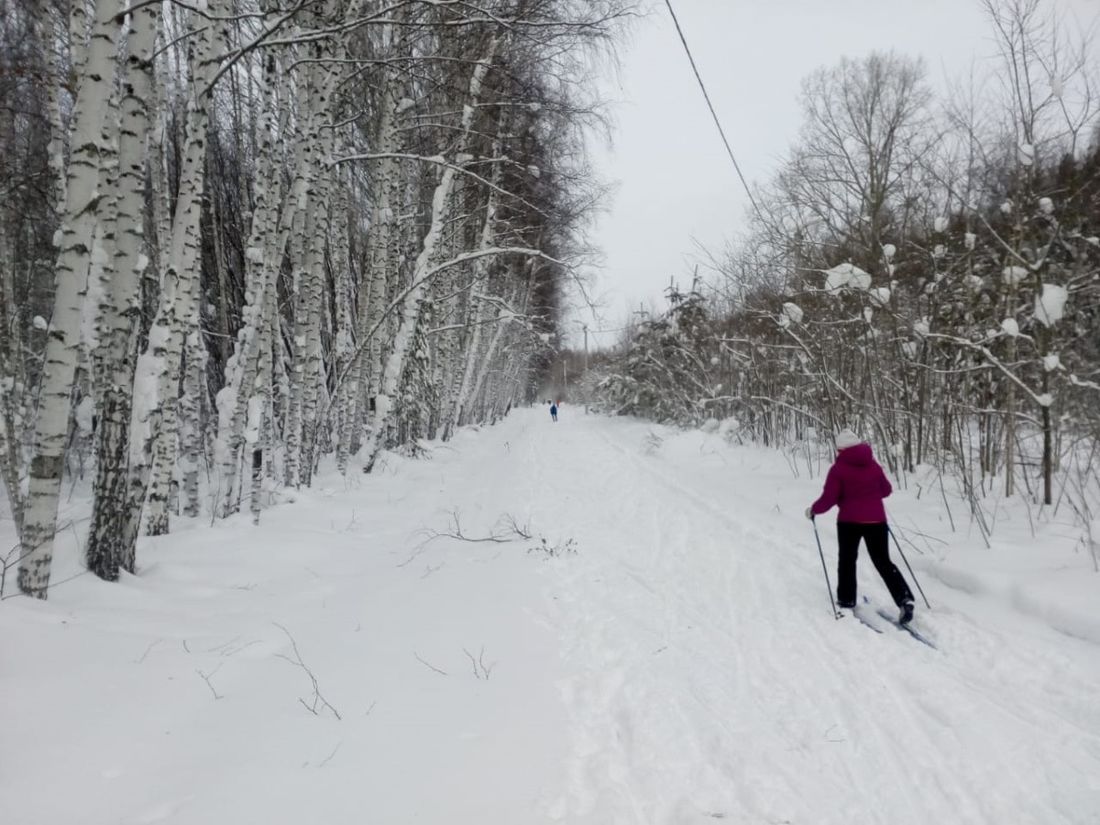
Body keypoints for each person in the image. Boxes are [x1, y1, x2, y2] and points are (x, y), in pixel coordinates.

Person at [806, 429, 915, 624]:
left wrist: (814, 510)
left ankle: (847, 600)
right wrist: (869, 496)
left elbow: (829, 498)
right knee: (883, 561)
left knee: (847, 560)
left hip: (849, 522)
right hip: (877, 520)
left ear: (841, 449)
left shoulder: (838, 469)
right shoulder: (873, 464)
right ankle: (904, 598)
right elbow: (886, 490)